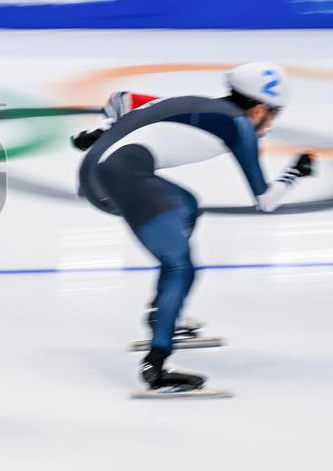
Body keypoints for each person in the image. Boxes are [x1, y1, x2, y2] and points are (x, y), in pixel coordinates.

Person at [77, 62, 315, 392]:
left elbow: (121, 98)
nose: (271, 123)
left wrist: (98, 131)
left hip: (95, 174)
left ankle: (163, 315)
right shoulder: (238, 126)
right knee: (181, 267)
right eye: (274, 114)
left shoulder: (197, 104)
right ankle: (156, 365)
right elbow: (265, 201)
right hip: (121, 179)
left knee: (187, 205)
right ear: (259, 108)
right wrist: (295, 172)